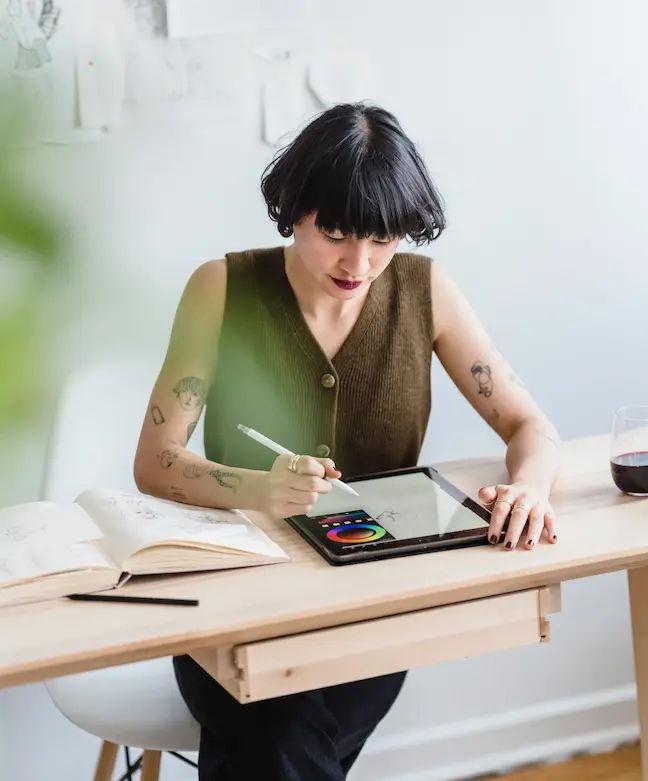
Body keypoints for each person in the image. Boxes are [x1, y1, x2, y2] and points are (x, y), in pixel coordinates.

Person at [133, 102, 561, 780]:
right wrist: (261, 490)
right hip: (238, 603)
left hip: (374, 605)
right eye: (335, 232)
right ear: (294, 208)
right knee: (275, 735)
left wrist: (529, 487)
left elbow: (530, 426)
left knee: (273, 743)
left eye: (384, 239)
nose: (359, 262)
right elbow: (154, 462)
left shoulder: (427, 293)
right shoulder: (222, 289)